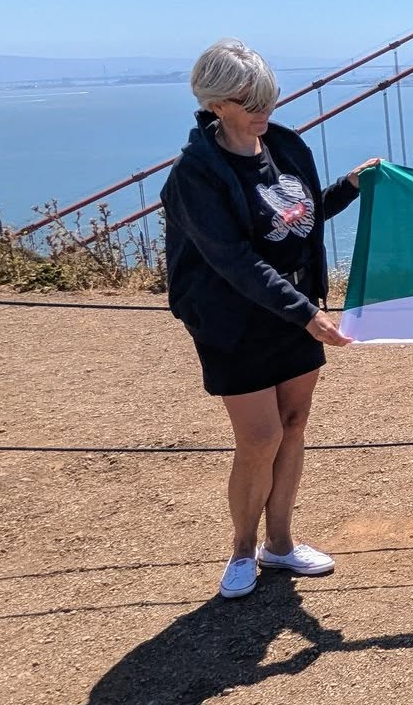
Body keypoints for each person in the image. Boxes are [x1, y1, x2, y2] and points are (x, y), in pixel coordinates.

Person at [162, 39, 378, 600]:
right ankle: (241, 549)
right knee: (260, 437)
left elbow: (298, 216)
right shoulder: (194, 174)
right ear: (214, 103)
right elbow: (233, 258)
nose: (262, 110)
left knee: (294, 423)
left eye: (268, 97)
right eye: (247, 101)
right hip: (234, 317)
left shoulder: (283, 145)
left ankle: (279, 543)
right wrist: (307, 314)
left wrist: (349, 187)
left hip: (293, 308)